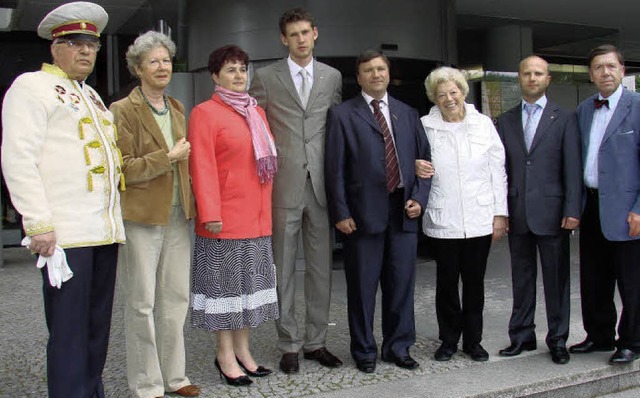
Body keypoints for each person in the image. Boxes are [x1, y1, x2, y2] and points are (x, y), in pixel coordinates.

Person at [1, 2, 125, 397]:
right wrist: (38, 222)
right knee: (70, 333)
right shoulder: (31, 87)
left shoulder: (91, 95)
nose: (86, 51)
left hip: (102, 232)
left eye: (91, 44)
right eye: (75, 43)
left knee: (95, 329)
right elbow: (18, 158)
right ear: (55, 47)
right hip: (66, 236)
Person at [249, 8, 343, 373]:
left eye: (306, 32)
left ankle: (316, 341)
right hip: (282, 186)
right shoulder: (266, 77)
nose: (301, 39)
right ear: (283, 39)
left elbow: (335, 128)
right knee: (282, 268)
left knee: (321, 270)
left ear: (315, 34)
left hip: (321, 186)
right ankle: (288, 342)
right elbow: (256, 130)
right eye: (294, 34)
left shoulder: (332, 77)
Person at [325, 50, 431, 373]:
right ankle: (364, 350)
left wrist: (419, 197)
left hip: (403, 211)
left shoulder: (408, 113)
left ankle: (398, 347)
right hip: (361, 215)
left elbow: (426, 164)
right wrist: (340, 213)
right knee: (362, 288)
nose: (376, 74)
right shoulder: (343, 115)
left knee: (401, 285)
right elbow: (334, 169)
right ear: (358, 78)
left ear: (389, 73)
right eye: (368, 70)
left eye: (381, 69)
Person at [110, 31, 200, 398]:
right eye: (154, 61)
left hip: (179, 217)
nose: (162, 67)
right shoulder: (122, 110)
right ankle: (147, 384)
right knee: (142, 303)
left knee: (176, 298)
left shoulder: (176, 109)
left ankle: (175, 377)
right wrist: (169, 158)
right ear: (137, 68)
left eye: (166, 60)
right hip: (142, 218)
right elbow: (125, 169)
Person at [188, 45, 279, 386]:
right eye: (230, 70)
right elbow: (202, 166)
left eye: (243, 69)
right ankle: (224, 355)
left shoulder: (256, 113)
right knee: (225, 292)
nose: (239, 75)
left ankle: (244, 352)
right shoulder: (204, 113)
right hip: (222, 221)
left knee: (247, 291)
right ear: (215, 76)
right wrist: (210, 212)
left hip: (255, 219)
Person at [416, 66, 508, 363]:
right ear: (434, 97)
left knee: (475, 283)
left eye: (453, 92)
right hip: (443, 219)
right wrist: (416, 166)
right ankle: (448, 340)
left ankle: (474, 341)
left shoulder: (483, 124)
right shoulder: (424, 126)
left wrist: (500, 214)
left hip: (479, 218)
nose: (448, 98)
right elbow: (411, 162)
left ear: (463, 92)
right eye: (441, 94)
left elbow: (498, 170)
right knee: (446, 284)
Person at [495, 56, 582, 365]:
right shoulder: (504, 120)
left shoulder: (566, 118)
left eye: (538, 74)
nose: (532, 78)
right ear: (518, 79)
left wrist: (573, 208)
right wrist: (500, 212)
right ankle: (521, 336)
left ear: (548, 79)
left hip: (554, 212)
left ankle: (557, 339)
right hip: (518, 211)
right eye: (526, 73)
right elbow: (499, 171)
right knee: (521, 278)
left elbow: (573, 167)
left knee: (557, 281)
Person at [569, 44, 640, 364]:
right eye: (599, 67)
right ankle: (599, 336)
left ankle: (633, 341)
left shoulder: (637, 106)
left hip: (628, 210)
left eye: (611, 66)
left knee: (632, 280)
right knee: (594, 277)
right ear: (591, 74)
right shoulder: (584, 109)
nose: (605, 72)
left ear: (623, 70)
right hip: (592, 205)